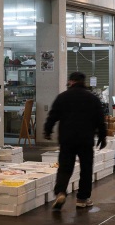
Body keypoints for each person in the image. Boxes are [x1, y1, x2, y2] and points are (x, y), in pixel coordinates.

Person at [43, 72, 107, 211]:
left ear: (71, 81)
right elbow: (100, 119)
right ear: (83, 82)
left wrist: (47, 131)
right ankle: (82, 199)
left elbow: (52, 115)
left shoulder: (62, 97)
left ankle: (60, 192)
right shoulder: (92, 98)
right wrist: (103, 136)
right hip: (85, 139)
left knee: (65, 168)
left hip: (67, 139)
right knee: (86, 168)